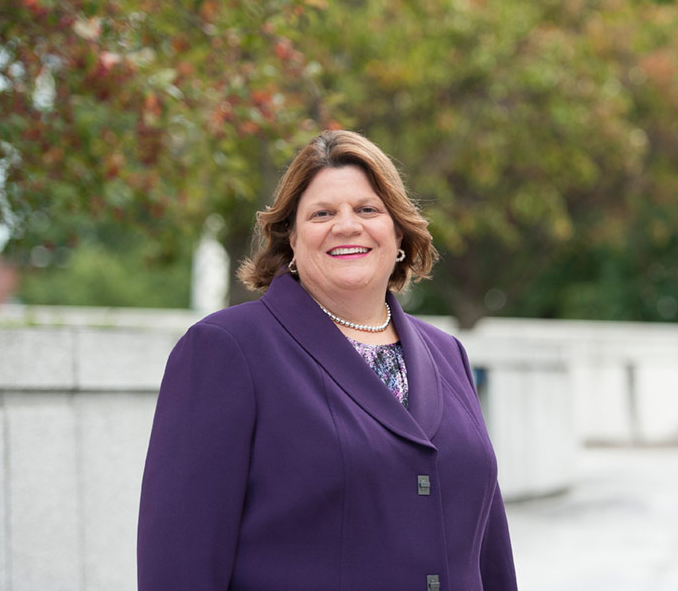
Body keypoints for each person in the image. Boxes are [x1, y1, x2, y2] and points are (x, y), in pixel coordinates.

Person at [137, 129, 519, 591]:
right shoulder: (227, 349)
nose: (346, 225)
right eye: (322, 213)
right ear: (291, 240)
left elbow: (489, 546)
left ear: (398, 231)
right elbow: (180, 563)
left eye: (367, 209)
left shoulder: (447, 354)